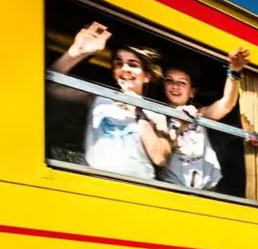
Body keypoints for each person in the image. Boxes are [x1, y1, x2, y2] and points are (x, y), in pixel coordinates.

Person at [50, 22, 172, 179]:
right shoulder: (98, 96)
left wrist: (138, 111)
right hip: (96, 183)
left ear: (147, 76)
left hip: (138, 187)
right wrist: (74, 53)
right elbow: (51, 88)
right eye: (119, 63)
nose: (125, 69)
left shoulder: (156, 113)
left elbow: (160, 158)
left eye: (133, 64)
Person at [159, 47, 250, 190]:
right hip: (170, 188)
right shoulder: (157, 115)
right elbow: (159, 155)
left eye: (182, 82)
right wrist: (179, 125)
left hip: (206, 192)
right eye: (169, 81)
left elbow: (227, 104)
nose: (175, 86)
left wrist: (234, 71)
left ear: (191, 92)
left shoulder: (199, 113)